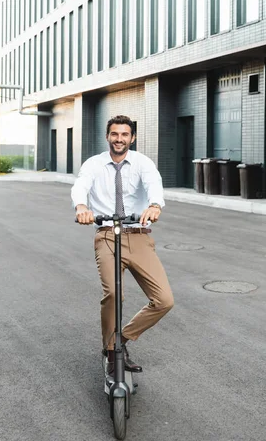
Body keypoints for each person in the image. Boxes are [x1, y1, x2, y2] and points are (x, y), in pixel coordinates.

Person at [71, 114, 174, 375]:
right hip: (107, 234)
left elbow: (154, 185)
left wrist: (154, 205)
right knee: (114, 294)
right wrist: (82, 206)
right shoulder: (94, 164)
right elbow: (81, 185)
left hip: (138, 235)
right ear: (107, 136)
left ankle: (120, 340)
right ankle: (109, 349)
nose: (119, 139)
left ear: (132, 137)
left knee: (164, 300)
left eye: (125, 135)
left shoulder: (142, 163)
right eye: (115, 134)